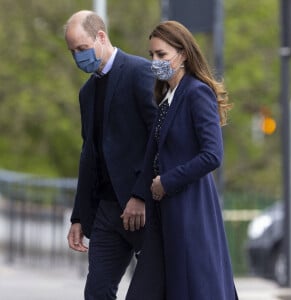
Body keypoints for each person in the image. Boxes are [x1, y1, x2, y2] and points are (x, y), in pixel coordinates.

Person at [137, 20, 239, 299]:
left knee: (192, 286)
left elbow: (212, 154)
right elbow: (154, 152)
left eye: (162, 55)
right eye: (152, 55)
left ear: (182, 55)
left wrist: (167, 182)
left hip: (189, 208)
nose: (155, 61)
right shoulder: (167, 96)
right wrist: (139, 194)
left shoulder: (196, 93)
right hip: (164, 210)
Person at [64, 10, 158, 299]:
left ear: (101, 37)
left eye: (82, 48)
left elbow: (160, 139)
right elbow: (88, 154)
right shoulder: (87, 92)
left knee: (153, 290)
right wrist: (79, 217)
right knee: (97, 292)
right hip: (107, 212)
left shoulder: (140, 72)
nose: (79, 56)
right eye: (73, 52)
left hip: (144, 211)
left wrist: (141, 195)